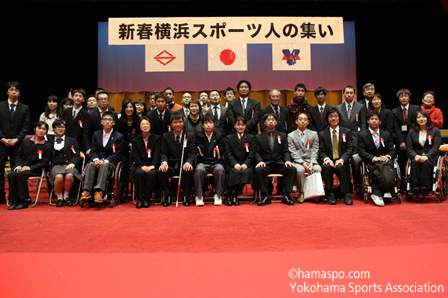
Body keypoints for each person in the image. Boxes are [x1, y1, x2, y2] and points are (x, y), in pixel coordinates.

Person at [80, 112, 124, 204]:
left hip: (110, 161)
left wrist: (105, 161)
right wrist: (96, 159)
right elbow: (93, 150)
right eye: (105, 120)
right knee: (91, 165)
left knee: (104, 165)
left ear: (113, 123)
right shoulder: (96, 134)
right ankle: (87, 191)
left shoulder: (119, 136)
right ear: (101, 122)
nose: (107, 122)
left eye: (110, 120)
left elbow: (117, 153)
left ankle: (99, 191)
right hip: (97, 159)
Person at [7, 121, 51, 210]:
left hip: (35, 169)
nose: (41, 131)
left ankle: (25, 199)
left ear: (46, 131)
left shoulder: (47, 146)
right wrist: (18, 165)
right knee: (12, 174)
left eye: (43, 129)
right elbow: (18, 155)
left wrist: (29, 167)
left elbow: (44, 162)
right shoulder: (26, 141)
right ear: (35, 129)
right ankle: (14, 200)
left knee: (20, 175)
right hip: (22, 166)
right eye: (39, 128)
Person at [254, 113, 296, 206]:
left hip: (279, 163)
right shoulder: (258, 137)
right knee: (258, 170)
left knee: (292, 169)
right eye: (268, 120)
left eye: (273, 120)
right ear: (264, 122)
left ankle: (287, 195)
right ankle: (265, 195)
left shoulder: (283, 135)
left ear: (276, 122)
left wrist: (287, 160)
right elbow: (256, 152)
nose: (271, 122)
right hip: (266, 164)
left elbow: (285, 151)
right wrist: (260, 161)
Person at [0, 81, 30, 204]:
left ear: (19, 93)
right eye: (11, 89)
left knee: (15, 170)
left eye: (16, 90)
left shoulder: (24, 108)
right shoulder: (0, 106)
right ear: (7, 91)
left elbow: (26, 126)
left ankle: (15, 196)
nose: (14, 92)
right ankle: (0, 196)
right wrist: (2, 138)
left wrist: (17, 139)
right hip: (1, 143)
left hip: (17, 144)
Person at [358, 111, 396, 207]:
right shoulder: (362, 134)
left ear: (380, 121)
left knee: (389, 166)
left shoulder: (386, 134)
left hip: (385, 160)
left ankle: (388, 190)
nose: (374, 121)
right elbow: (361, 151)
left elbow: (392, 151)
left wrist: (387, 156)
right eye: (372, 119)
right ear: (368, 121)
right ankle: (377, 193)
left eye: (376, 119)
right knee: (374, 168)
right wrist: (373, 158)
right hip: (371, 160)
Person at [158, 113, 196, 207]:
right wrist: (164, 162)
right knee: (162, 171)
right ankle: (168, 195)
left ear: (183, 123)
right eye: (175, 122)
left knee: (189, 171)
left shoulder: (189, 135)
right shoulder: (166, 136)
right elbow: (164, 152)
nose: (178, 124)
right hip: (171, 165)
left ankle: (186, 196)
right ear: (171, 124)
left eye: (180, 122)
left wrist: (189, 162)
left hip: (184, 164)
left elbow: (193, 152)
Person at [318, 108, 354, 205]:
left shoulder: (346, 131)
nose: (334, 119)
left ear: (339, 118)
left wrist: (342, 159)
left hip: (341, 161)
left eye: (336, 116)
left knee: (340, 166)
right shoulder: (322, 134)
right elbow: (320, 151)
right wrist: (326, 159)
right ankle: (330, 193)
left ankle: (346, 193)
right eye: (331, 117)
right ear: (327, 119)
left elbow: (350, 149)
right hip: (329, 160)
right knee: (326, 166)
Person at [336, 85, 367, 195]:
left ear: (354, 94)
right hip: (343, 139)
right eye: (347, 93)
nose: (349, 94)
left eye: (351, 93)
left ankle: (357, 185)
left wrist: (361, 138)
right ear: (343, 94)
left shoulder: (360, 107)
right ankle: (346, 185)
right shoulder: (338, 108)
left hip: (356, 138)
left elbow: (363, 124)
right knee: (344, 162)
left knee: (355, 162)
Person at [406, 110, 442, 196]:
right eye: (419, 117)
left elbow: (436, 146)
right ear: (416, 120)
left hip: (430, 156)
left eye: (423, 117)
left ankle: (425, 186)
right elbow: (409, 148)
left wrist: (427, 156)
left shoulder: (435, 131)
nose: (421, 119)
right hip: (417, 155)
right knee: (414, 163)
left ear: (427, 118)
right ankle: (415, 186)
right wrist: (415, 155)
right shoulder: (412, 132)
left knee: (426, 163)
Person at [288, 112, 321, 203]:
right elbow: (293, 151)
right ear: (296, 122)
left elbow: (315, 150)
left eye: (305, 120)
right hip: (298, 162)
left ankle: (315, 193)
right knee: (299, 170)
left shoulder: (314, 134)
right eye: (300, 119)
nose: (303, 121)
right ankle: (301, 192)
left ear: (308, 122)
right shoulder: (290, 136)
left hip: (311, 160)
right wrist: (302, 163)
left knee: (318, 168)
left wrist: (312, 162)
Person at [194, 114, 226, 206]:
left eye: (210, 123)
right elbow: (201, 152)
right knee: (199, 170)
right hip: (203, 162)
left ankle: (218, 195)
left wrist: (212, 153)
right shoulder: (199, 136)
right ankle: (199, 196)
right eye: (206, 123)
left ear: (214, 124)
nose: (208, 125)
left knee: (220, 170)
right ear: (202, 125)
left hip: (216, 162)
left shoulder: (219, 136)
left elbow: (221, 150)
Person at [49, 120, 82, 207]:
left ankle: (66, 196)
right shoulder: (49, 140)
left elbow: (77, 154)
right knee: (59, 177)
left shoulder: (72, 140)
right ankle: (59, 197)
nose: (60, 129)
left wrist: (73, 163)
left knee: (69, 176)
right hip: (56, 165)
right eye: (58, 127)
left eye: (62, 127)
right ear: (54, 129)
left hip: (69, 164)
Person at [224, 116, 256, 206]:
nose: (240, 127)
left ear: (246, 126)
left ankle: (235, 195)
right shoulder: (229, 138)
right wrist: (235, 164)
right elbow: (228, 153)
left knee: (246, 172)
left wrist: (246, 163)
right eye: (238, 125)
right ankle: (228, 195)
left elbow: (252, 152)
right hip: (232, 163)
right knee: (233, 172)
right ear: (234, 126)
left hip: (246, 163)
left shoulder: (251, 137)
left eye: (243, 125)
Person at [131, 117, 161, 208]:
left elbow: (157, 153)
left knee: (152, 174)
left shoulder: (157, 138)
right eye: (143, 124)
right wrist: (141, 165)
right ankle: (140, 199)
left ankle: (147, 199)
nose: (145, 126)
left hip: (152, 164)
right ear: (139, 127)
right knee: (139, 173)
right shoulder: (135, 140)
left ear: (151, 126)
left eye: (147, 124)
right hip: (140, 165)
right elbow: (135, 155)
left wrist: (153, 165)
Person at [392, 88, 420, 181]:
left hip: (413, 138)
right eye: (401, 96)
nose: (403, 98)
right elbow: (396, 127)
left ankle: (414, 180)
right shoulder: (394, 111)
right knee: (402, 160)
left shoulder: (416, 108)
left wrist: (409, 141)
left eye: (405, 96)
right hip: (401, 140)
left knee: (413, 160)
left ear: (409, 98)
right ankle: (403, 181)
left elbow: (416, 124)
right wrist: (401, 142)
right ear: (398, 98)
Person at [83, 91, 117, 155]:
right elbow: (86, 133)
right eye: (101, 99)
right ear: (97, 101)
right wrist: (88, 148)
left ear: (108, 101)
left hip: (110, 146)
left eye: (105, 99)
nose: (103, 101)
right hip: (94, 146)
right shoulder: (90, 114)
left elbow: (116, 130)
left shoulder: (113, 114)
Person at [62, 88, 88, 152]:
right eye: (76, 96)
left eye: (80, 96)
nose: (78, 98)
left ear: (83, 99)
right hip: (65, 142)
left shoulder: (86, 114)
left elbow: (85, 133)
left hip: (78, 144)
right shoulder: (66, 111)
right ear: (73, 97)